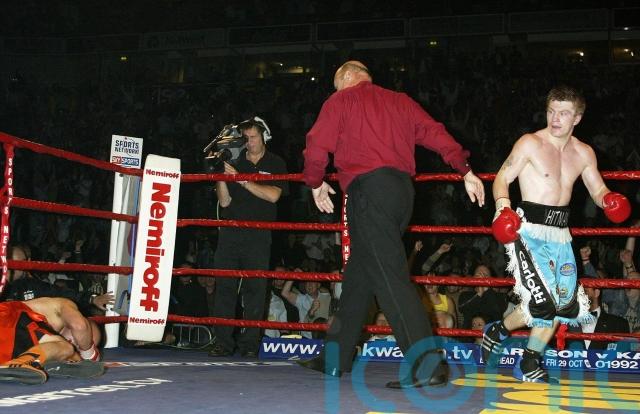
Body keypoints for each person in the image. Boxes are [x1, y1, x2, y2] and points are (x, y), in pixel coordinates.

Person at [299, 60, 485, 388]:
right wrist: (464, 168)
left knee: (390, 277)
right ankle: (334, 357)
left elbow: (317, 142)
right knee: (358, 279)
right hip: (401, 192)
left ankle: (428, 365)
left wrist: (314, 181)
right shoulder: (400, 101)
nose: (334, 90)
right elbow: (434, 132)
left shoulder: (342, 99)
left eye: (335, 84)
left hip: (369, 190)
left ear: (346, 77)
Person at [485, 85, 632, 383]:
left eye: (563, 113)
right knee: (544, 304)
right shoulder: (530, 143)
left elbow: (597, 189)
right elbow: (502, 177)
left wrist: (608, 200)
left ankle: (505, 337)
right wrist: (503, 207)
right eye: (551, 111)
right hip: (528, 231)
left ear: (577, 118)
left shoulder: (583, 152)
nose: (555, 118)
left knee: (564, 305)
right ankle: (523, 355)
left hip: (561, 235)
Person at [208, 116, 289, 358]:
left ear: (264, 136)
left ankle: (250, 344)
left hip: (259, 234)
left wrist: (241, 179)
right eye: (246, 138)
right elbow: (224, 201)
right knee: (225, 287)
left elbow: (274, 195)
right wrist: (222, 176)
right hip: (231, 232)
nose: (250, 141)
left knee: (255, 289)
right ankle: (223, 342)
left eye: (254, 137)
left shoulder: (275, 162)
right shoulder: (235, 159)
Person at [0, 298, 105, 385]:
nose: (75, 345)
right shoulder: (63, 305)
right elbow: (79, 326)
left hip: (8, 342)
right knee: (66, 348)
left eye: (78, 347)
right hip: (9, 317)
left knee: (65, 352)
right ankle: (18, 363)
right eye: (80, 341)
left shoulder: (41, 345)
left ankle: (19, 363)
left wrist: (80, 360)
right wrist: (88, 352)